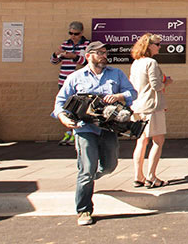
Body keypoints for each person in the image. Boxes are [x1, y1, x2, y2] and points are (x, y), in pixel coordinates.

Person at [53, 41, 136, 226]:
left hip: (108, 128)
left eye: (105, 52)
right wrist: (63, 118)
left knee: (110, 166)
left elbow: (133, 93)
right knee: (87, 168)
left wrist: (119, 96)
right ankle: (84, 210)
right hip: (84, 128)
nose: (104, 56)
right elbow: (60, 102)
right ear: (89, 55)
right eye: (100, 53)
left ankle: (92, 174)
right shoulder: (76, 77)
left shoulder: (116, 74)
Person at [129, 33, 171, 188]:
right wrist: (167, 83)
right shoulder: (151, 63)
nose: (160, 47)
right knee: (158, 141)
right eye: (158, 45)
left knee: (141, 141)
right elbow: (156, 85)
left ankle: (138, 175)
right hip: (152, 106)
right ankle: (151, 176)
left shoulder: (136, 63)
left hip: (138, 105)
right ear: (150, 46)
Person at [52, 22, 90, 145]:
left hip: (80, 81)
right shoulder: (65, 44)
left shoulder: (86, 44)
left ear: (81, 33)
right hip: (64, 80)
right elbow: (54, 61)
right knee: (66, 107)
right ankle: (68, 132)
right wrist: (56, 54)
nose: (73, 36)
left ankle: (76, 133)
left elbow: (86, 62)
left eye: (76, 34)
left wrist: (73, 56)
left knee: (78, 107)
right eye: (71, 33)